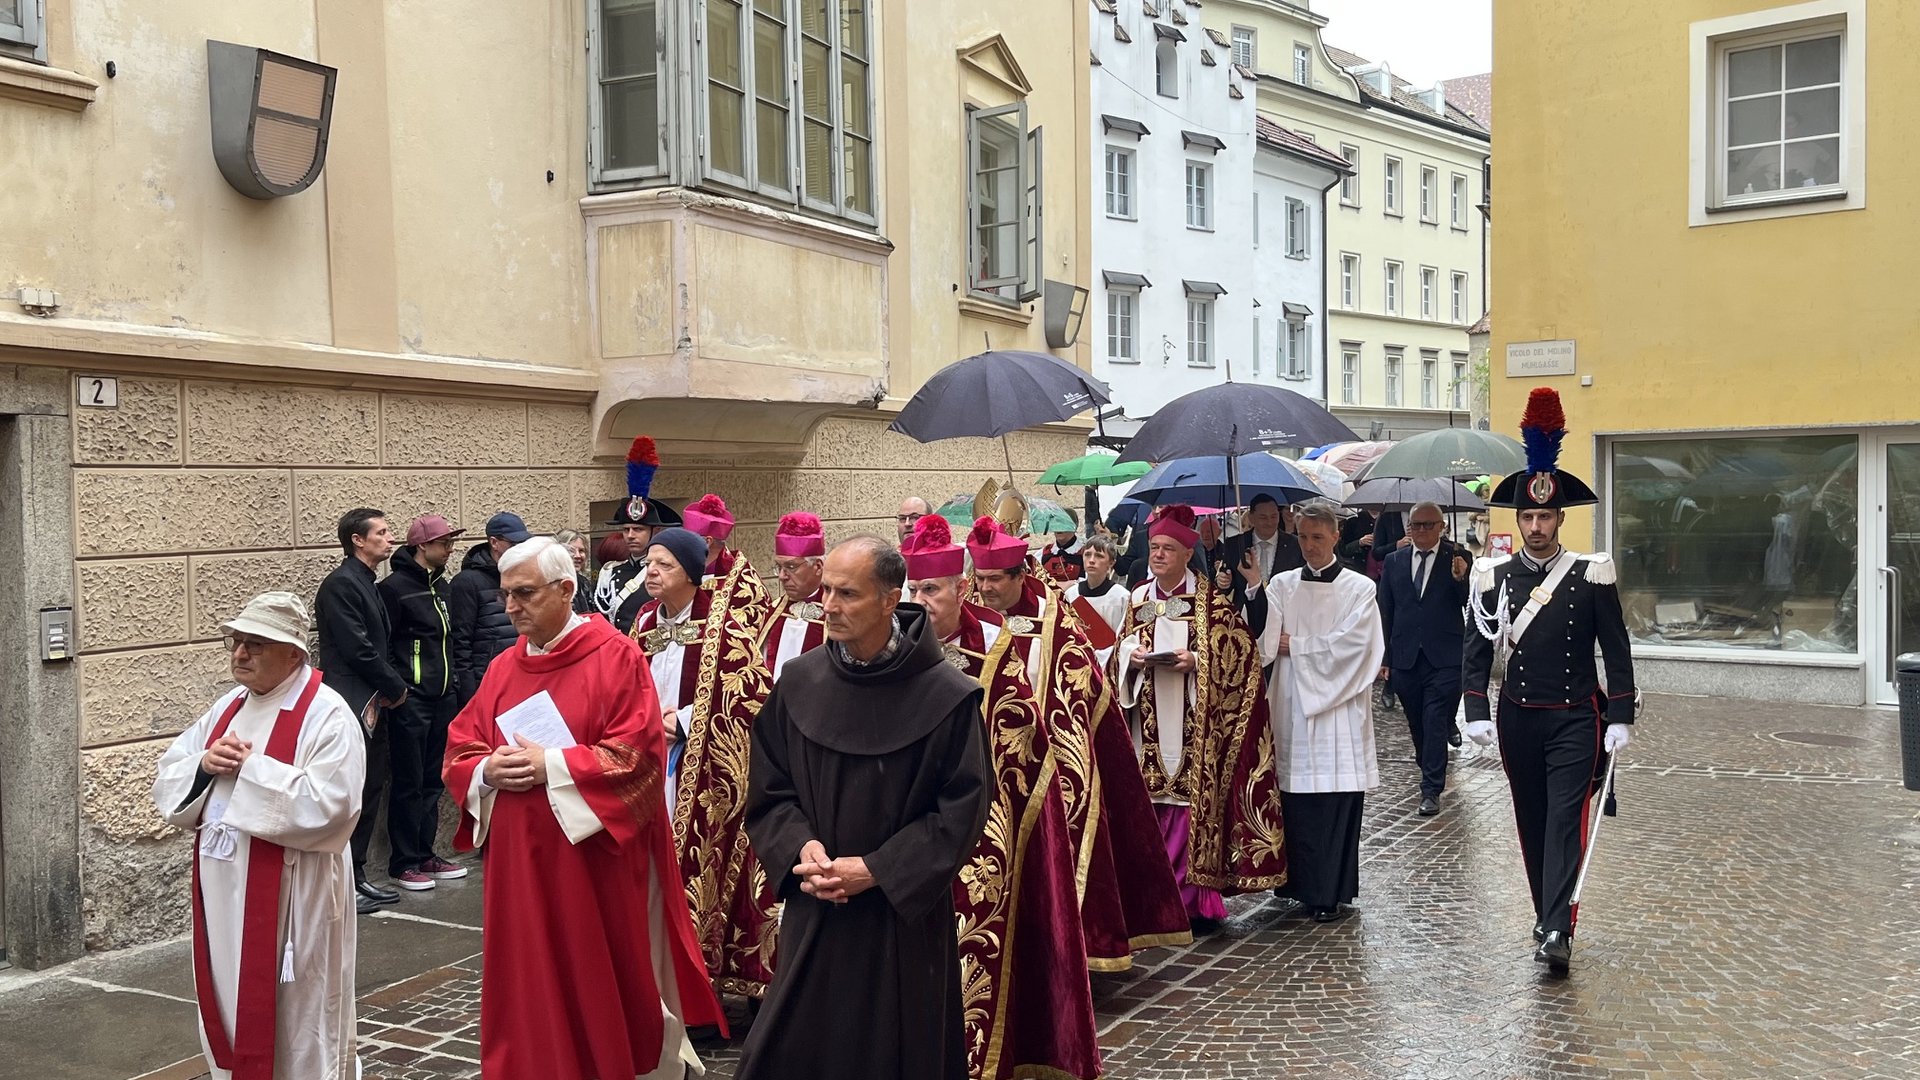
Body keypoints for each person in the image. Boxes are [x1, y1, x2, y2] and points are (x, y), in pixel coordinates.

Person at [442, 538, 724, 1078]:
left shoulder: (614, 655)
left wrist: (553, 764)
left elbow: (638, 754)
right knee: (526, 972)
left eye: (524, 594)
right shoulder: (503, 667)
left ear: (566, 589)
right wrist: (485, 771)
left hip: (589, 860)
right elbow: (463, 745)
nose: (511, 608)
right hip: (518, 865)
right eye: (505, 596)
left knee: (590, 970)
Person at [737, 537, 992, 1080]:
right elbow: (771, 787)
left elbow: (961, 810)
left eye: (846, 593)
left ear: (889, 599)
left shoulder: (947, 695)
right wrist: (799, 848)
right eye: (825, 588)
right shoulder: (800, 681)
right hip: (816, 903)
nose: (826, 604)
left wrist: (875, 870)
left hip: (900, 921)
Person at [902, 515, 1103, 1080]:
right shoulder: (889, 645)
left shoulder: (993, 645)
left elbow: (1020, 738)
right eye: (913, 590)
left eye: (931, 590)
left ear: (958, 589)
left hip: (980, 817)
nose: (920, 600)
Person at [152, 592, 365, 1080]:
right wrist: (206, 765)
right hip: (224, 885)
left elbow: (333, 806)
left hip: (296, 896)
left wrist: (250, 770)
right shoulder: (228, 706)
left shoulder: (328, 715)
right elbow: (171, 771)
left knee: (299, 1012)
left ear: (293, 653)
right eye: (236, 642)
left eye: (254, 645)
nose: (239, 654)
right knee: (229, 997)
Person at [966, 515, 1191, 967]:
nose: (985, 589)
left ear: (1019, 575)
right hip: (983, 758)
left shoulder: (1055, 616)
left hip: (1048, 756)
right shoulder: (973, 613)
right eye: (981, 578)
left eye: (994, 579)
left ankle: (1064, 948)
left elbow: (1082, 683)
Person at [1464, 389, 1637, 974]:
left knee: (1567, 818)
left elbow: (1616, 648)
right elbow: (1477, 647)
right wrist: (1477, 710)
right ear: (1519, 519)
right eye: (1528, 517)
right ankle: (1546, 913)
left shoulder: (1592, 574)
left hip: (1573, 717)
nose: (1537, 526)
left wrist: (1620, 717)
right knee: (1532, 819)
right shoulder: (1494, 577)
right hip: (1518, 715)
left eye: (1546, 516)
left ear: (1561, 519)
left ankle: (1559, 928)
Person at [1115, 506, 1288, 933]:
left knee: (1188, 809)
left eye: (1167, 549)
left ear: (1186, 554)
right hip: (1147, 722)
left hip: (1197, 723)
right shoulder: (1138, 598)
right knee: (1149, 807)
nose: (1157, 555)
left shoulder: (1209, 600)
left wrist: (1199, 660)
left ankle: (1191, 903)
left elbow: (1242, 655)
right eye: (1154, 547)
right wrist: (1128, 659)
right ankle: (1152, 901)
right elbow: (1118, 647)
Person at [628, 526, 778, 1000]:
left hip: (704, 771)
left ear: (691, 573)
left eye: (664, 564)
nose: (651, 572)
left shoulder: (724, 622)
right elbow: (625, 683)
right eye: (649, 563)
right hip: (649, 768)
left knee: (698, 872)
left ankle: (699, 984)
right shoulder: (646, 620)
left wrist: (689, 721)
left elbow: (750, 693)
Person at [1258, 500, 1386, 923]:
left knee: (1332, 799)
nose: (1310, 545)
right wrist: (1250, 592)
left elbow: (1355, 648)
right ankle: (1293, 883)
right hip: (1291, 702)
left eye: (1318, 537)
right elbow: (1263, 640)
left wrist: (1297, 645)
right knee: (1292, 797)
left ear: (1335, 537)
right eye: (1303, 537)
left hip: (1339, 708)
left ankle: (1329, 891)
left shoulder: (1359, 588)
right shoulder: (1281, 585)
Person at [314, 507, 410, 915]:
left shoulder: (368, 582)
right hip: (351, 699)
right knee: (352, 789)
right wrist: (394, 686)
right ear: (358, 539)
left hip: (373, 699)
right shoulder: (340, 585)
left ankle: (357, 874)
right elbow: (357, 648)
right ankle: (340, 883)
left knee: (370, 787)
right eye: (382, 532)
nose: (390, 539)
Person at [376, 513, 470, 892]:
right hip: (411, 700)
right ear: (422, 547)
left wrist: (455, 688)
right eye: (444, 543)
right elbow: (386, 644)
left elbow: (449, 642)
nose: (450, 549)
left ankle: (426, 852)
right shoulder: (395, 589)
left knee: (433, 781)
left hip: (442, 697)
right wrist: (401, 690)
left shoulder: (442, 587)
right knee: (408, 782)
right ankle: (403, 862)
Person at [1376, 501, 1471, 817]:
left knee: (1433, 719)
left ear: (1441, 527)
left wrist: (1461, 579)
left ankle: (1431, 789)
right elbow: (1386, 610)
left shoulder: (1457, 558)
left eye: (1428, 525)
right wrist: (1385, 656)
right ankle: (1427, 761)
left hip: (1444, 656)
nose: (1421, 531)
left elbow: (1468, 601)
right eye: (1416, 525)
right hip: (1405, 656)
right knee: (1416, 722)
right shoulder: (1394, 561)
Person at [593, 435, 683, 632]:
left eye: (638, 529)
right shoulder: (610, 573)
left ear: (656, 531)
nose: (630, 535)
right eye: (626, 530)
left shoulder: (668, 572)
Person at [450, 512, 530, 705]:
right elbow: (460, 643)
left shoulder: (522, 576)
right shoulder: (468, 582)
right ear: (494, 543)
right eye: (514, 544)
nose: (520, 550)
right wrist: (470, 697)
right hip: (485, 682)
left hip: (521, 675)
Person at [1226, 494, 1307, 640]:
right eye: (1263, 517)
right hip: (1244, 620)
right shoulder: (1234, 545)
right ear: (1251, 518)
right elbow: (1226, 584)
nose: (1269, 522)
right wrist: (1223, 582)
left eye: (1274, 516)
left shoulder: (1295, 545)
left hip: (1282, 621)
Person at [760, 511, 828, 681]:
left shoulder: (836, 613)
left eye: (791, 566)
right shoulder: (771, 614)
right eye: (779, 567)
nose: (782, 576)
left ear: (818, 567)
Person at [1065, 534, 1127, 665]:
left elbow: (1125, 639)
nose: (1091, 560)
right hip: (1077, 662)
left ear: (1111, 563)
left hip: (1110, 665)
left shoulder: (1121, 596)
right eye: (1087, 554)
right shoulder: (1071, 594)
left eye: (1099, 556)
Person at [553, 528, 596, 615]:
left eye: (581, 551)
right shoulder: (551, 584)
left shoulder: (584, 583)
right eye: (571, 551)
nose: (577, 556)